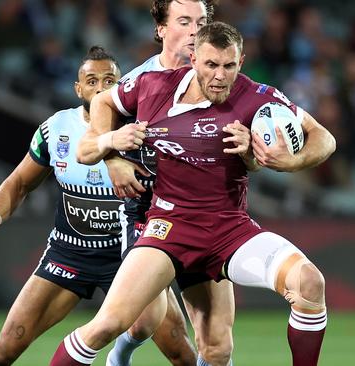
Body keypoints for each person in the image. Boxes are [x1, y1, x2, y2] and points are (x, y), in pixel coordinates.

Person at [52, 21, 336, 366]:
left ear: (241, 61)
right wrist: (110, 150)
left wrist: (290, 161)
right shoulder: (151, 86)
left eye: (229, 66)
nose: (220, 76)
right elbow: (103, 104)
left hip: (229, 230)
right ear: (193, 58)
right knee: (108, 324)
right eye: (211, 65)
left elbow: (323, 138)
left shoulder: (257, 97)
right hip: (168, 228)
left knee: (304, 285)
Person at [0, 46, 193, 366]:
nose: (101, 87)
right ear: (78, 89)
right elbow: (18, 184)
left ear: (122, 86)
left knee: (179, 350)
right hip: (69, 255)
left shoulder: (141, 132)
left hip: (131, 257)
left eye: (109, 80)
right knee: (4, 352)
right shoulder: (56, 129)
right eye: (91, 81)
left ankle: (122, 353)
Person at [78, 2, 236, 366]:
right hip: (148, 212)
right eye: (184, 21)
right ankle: (119, 356)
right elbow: (102, 110)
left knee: (217, 342)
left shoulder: (220, 77)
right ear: (161, 29)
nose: (196, 30)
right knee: (143, 322)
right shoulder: (143, 79)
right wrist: (112, 158)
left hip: (205, 213)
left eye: (202, 21)